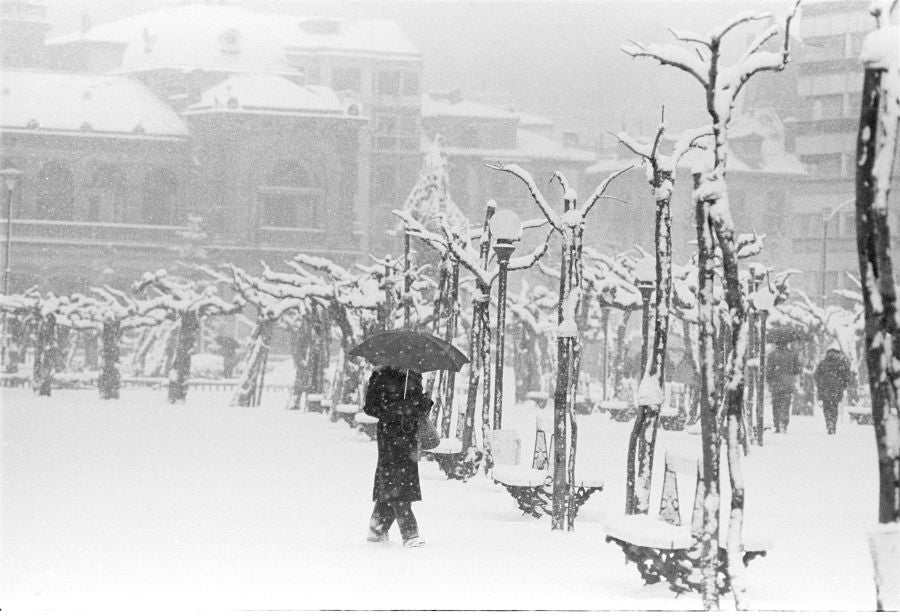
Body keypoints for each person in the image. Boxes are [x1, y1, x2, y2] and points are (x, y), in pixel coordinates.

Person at [363, 365, 432, 548]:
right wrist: (396, 409)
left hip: (409, 436)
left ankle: (377, 529)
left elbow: (416, 406)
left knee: (402, 482)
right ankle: (410, 534)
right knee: (395, 482)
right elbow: (370, 407)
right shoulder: (381, 375)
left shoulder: (414, 374)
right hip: (389, 436)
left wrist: (423, 404)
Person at [814, 344, 854, 435]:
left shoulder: (823, 363)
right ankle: (833, 424)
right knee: (834, 407)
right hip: (837, 389)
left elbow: (816, 376)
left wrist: (820, 385)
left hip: (825, 389)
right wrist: (843, 386)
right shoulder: (841, 363)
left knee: (827, 407)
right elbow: (847, 376)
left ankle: (829, 422)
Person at [765, 340, 801, 433]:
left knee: (776, 405)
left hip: (775, 384)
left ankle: (777, 424)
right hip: (788, 384)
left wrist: (769, 381)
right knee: (786, 404)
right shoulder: (792, 354)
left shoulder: (772, 355)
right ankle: (784, 423)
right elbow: (797, 370)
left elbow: (768, 371)